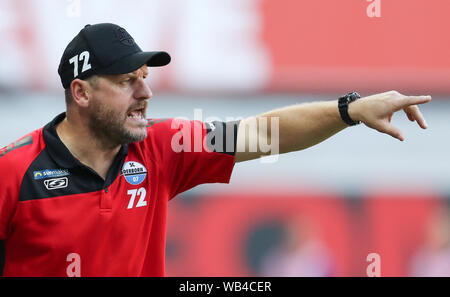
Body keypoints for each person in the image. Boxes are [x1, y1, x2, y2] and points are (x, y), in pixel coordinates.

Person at [0, 23, 431, 277]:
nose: (145, 92)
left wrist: (349, 109)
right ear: (80, 93)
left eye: (144, 76)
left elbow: (260, 133)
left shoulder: (164, 147)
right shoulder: (14, 171)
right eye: (126, 81)